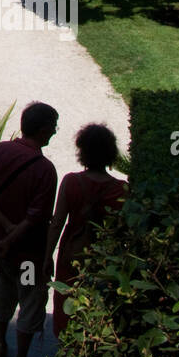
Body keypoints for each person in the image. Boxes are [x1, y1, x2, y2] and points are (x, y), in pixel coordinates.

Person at [0, 101, 59, 357]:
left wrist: (4, 229)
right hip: (28, 259)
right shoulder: (45, 170)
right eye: (53, 127)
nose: (55, 133)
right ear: (43, 129)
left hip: (0, 251)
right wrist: (13, 234)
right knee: (30, 303)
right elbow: (36, 218)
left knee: (2, 299)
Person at [46, 124, 127, 339]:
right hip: (104, 258)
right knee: (99, 308)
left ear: (82, 152)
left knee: (66, 305)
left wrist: (46, 258)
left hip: (72, 252)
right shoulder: (121, 189)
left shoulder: (72, 182)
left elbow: (57, 223)